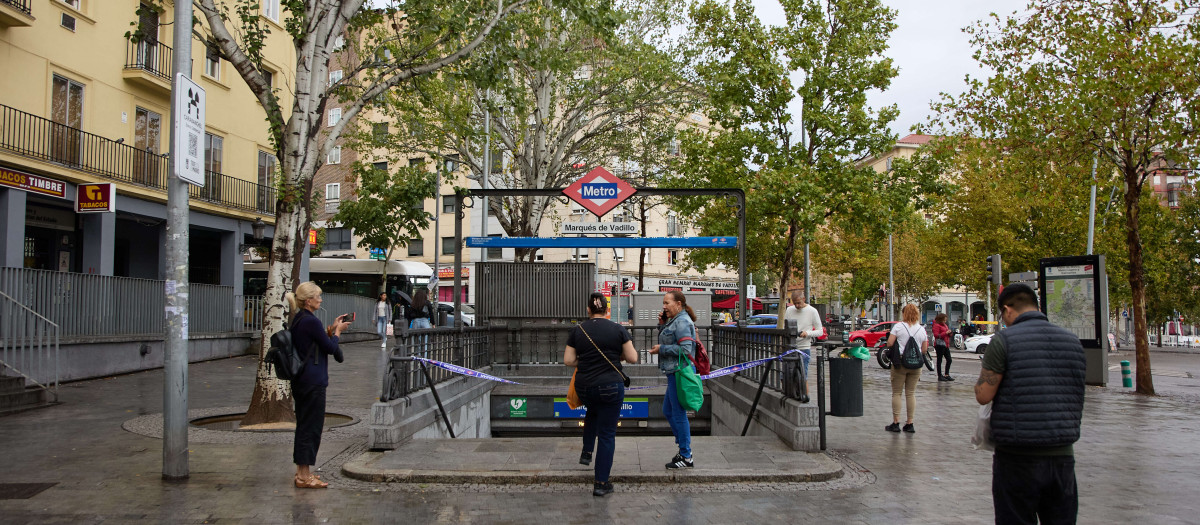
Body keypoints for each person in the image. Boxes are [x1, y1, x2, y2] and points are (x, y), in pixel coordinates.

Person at [975, 283, 1086, 524]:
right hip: (1062, 456)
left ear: (1007, 310)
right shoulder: (1072, 342)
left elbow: (984, 394)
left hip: (1017, 457)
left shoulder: (1004, 340)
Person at [564, 292, 639, 497]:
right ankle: (601, 483)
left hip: (585, 387)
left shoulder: (578, 330)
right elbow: (632, 358)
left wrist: (587, 361)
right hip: (610, 387)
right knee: (607, 435)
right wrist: (615, 356)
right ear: (607, 310)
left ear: (588, 310)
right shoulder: (618, 329)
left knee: (593, 410)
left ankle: (587, 452)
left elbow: (569, 361)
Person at [285, 282, 350, 489]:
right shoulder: (310, 321)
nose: (321, 300)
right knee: (311, 428)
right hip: (312, 381)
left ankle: (301, 472)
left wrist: (331, 329)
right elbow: (330, 348)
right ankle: (304, 476)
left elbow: (318, 342)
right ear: (309, 300)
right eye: (318, 297)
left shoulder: (299, 319)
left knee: (304, 426)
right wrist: (338, 332)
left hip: (302, 380)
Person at [649, 290, 697, 469]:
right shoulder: (675, 321)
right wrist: (662, 325)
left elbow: (685, 350)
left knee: (678, 413)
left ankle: (686, 455)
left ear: (678, 304)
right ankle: (683, 448)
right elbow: (673, 340)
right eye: (664, 303)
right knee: (668, 410)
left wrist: (661, 349)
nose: (664, 306)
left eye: (667, 303)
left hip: (679, 372)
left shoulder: (683, 321)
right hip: (673, 372)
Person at [885, 303, 928, 433]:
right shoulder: (921, 329)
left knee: (897, 393)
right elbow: (924, 350)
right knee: (911, 393)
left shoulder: (898, 326)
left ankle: (896, 422)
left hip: (900, 364)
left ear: (904, 314)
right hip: (916, 365)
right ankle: (910, 423)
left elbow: (890, 343)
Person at [781, 290, 823, 381]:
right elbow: (785, 327)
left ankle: (804, 394)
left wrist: (807, 333)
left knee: (803, 377)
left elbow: (820, 331)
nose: (796, 305)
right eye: (794, 303)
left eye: (798, 303)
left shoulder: (812, 311)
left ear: (804, 299)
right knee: (785, 376)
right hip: (790, 347)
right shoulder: (789, 310)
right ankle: (788, 393)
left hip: (804, 347)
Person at [931, 313, 954, 381]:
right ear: (940, 319)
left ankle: (946, 374)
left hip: (946, 344)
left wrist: (949, 333)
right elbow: (936, 335)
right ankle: (939, 375)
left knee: (949, 359)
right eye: (944, 320)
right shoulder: (936, 325)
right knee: (939, 360)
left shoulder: (945, 325)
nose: (945, 321)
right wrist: (945, 333)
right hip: (939, 345)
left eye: (945, 320)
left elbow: (947, 334)